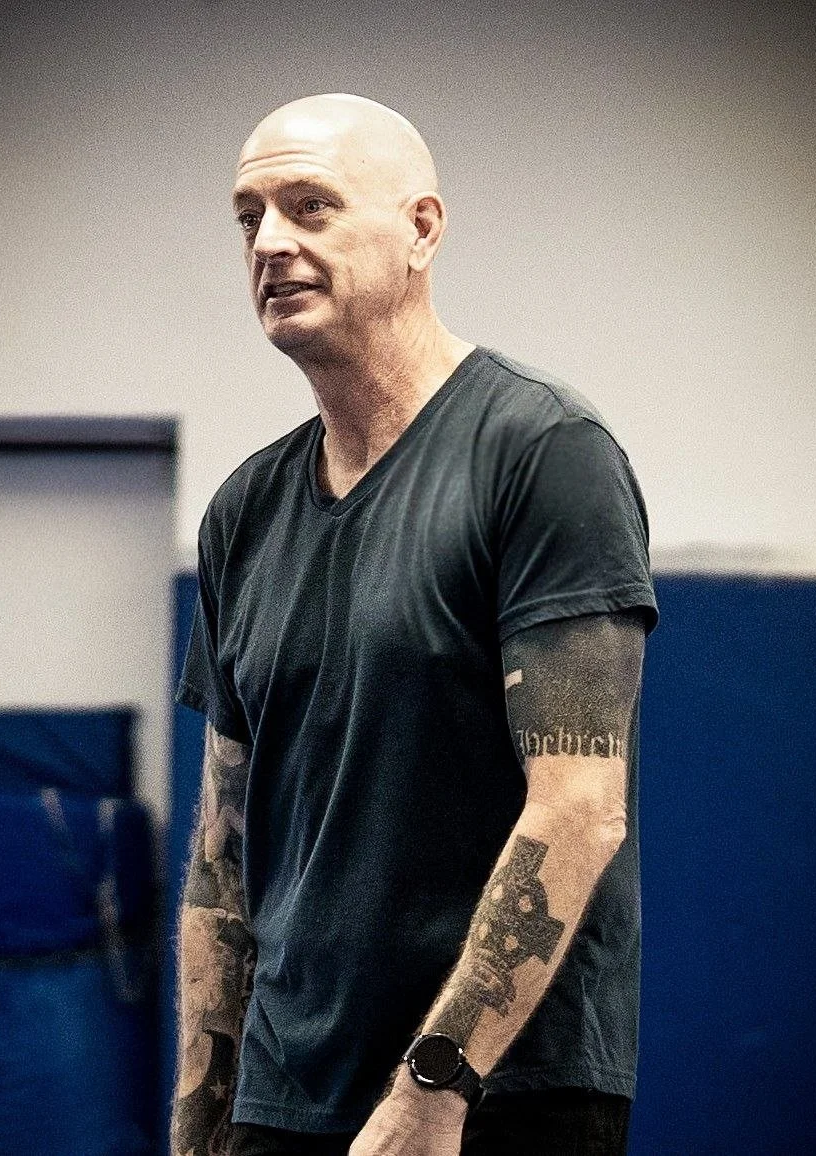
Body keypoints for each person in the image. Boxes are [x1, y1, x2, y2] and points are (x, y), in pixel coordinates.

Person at [172, 93, 658, 1156]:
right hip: (284, 1096)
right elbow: (222, 857)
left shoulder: (543, 452)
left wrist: (435, 1089)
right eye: (249, 215)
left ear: (423, 229)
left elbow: (580, 811)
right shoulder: (243, 512)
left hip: (497, 1094)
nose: (272, 242)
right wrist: (198, 1123)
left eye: (311, 205)